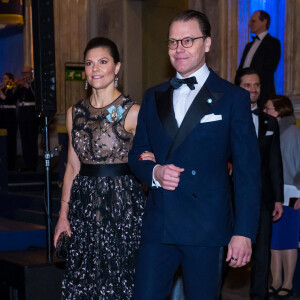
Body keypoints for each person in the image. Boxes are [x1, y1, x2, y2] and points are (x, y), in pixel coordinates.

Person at [128, 10, 261, 299]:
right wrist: (155, 173)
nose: (179, 49)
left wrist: (244, 232)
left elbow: (247, 171)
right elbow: (137, 153)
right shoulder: (153, 96)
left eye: (188, 40)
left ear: (208, 43)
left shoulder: (233, 98)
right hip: (159, 225)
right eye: (173, 42)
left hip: (206, 227)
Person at [53, 37, 145, 299]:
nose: (95, 68)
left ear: (117, 68)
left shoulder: (134, 112)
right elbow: (72, 166)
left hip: (122, 207)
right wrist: (63, 215)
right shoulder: (75, 112)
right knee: (84, 279)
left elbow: (149, 163)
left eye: (103, 62)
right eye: (89, 63)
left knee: (118, 280)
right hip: (83, 207)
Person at [235, 67, 283, 300]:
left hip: (263, 197)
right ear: (238, 88)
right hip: (231, 196)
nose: (253, 89)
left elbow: (275, 162)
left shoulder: (270, 123)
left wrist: (278, 198)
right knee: (225, 250)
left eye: (257, 85)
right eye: (248, 85)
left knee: (262, 253)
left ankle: (259, 296)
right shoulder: (228, 117)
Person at [263, 95, 300, 299]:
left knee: (289, 241)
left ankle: (288, 282)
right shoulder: (273, 132)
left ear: (280, 110)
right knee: (274, 241)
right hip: (275, 193)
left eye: (268, 108)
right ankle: (275, 280)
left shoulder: (293, 133)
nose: (265, 111)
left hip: (292, 194)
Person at [236, 10, 281, 107]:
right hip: (243, 92)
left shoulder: (273, 43)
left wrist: (253, 85)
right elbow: (242, 67)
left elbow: (268, 69)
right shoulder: (249, 45)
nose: (249, 24)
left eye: (253, 21)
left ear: (264, 21)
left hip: (262, 92)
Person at [15, 66, 38, 171]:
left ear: (31, 73)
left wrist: (26, 85)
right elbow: (13, 98)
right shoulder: (20, 86)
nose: (24, 75)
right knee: (24, 141)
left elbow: (36, 96)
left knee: (32, 140)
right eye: (23, 73)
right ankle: (26, 163)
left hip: (31, 115)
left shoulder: (34, 84)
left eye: (26, 73)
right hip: (22, 116)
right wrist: (15, 87)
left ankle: (33, 164)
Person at [0, 72, 17, 170]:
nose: (4, 81)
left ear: (10, 80)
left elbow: (10, 100)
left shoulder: (13, 89)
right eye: (3, 79)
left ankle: (11, 165)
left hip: (10, 119)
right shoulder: (3, 89)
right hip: (2, 118)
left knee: (10, 142)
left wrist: (2, 94)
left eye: (6, 79)